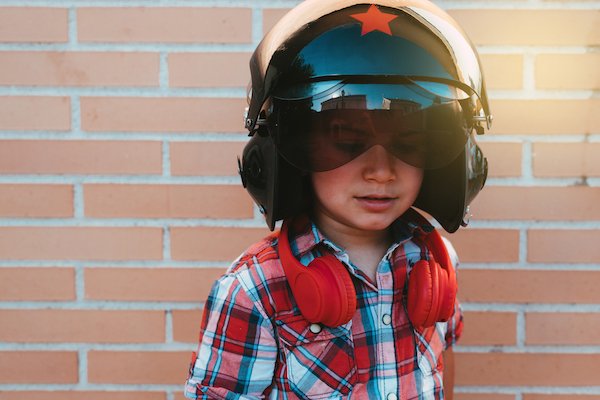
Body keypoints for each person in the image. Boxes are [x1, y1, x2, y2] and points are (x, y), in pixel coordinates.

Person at [185, 0, 492, 398]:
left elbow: (441, 362)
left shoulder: (436, 261)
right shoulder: (254, 290)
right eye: (347, 142)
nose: (381, 171)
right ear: (287, 153)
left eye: (410, 143)